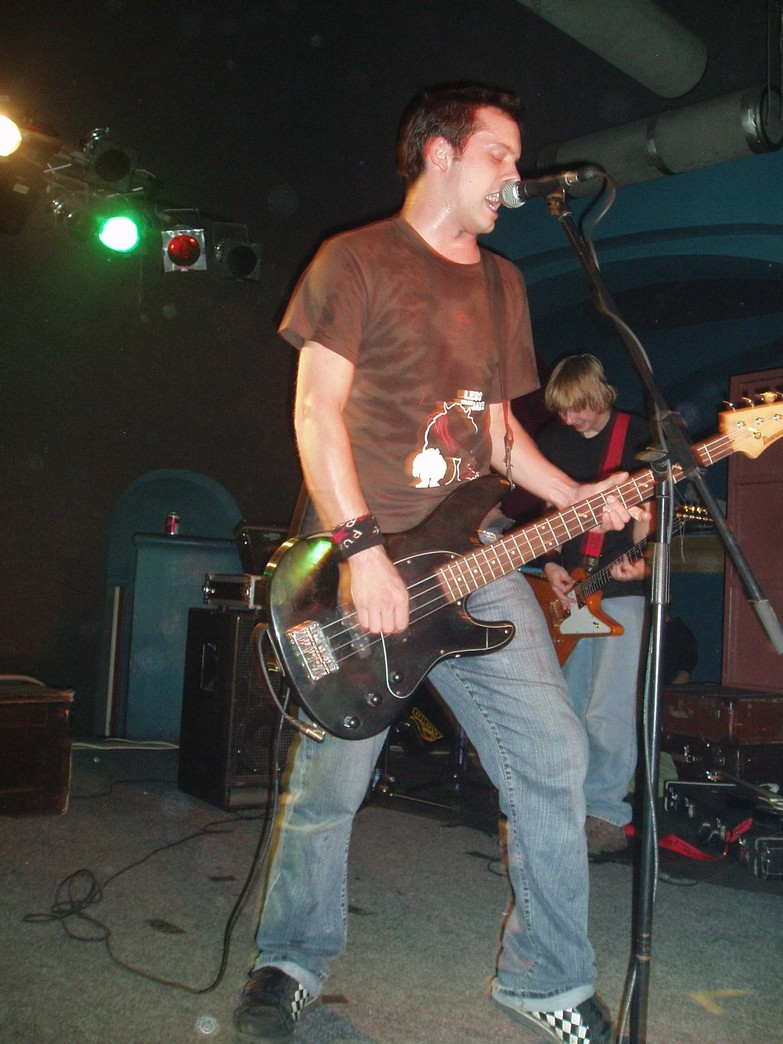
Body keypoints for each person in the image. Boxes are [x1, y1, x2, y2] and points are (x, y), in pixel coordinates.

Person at [234, 85, 648, 1044]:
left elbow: (497, 438)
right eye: (499, 154)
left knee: (552, 753)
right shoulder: (354, 260)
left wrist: (578, 496)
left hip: (469, 552)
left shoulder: (502, 283)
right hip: (356, 550)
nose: (514, 174)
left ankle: (544, 978)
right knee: (330, 777)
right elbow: (315, 413)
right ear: (439, 155)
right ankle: (288, 961)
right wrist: (360, 552)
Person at [535, 354, 654, 858]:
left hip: (619, 591)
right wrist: (549, 564)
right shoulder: (554, 442)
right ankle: (564, 808)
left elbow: (652, 513)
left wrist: (643, 558)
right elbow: (548, 510)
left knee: (608, 709)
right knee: (564, 707)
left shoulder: (640, 436)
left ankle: (604, 813)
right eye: (563, 411)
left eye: (579, 408)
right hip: (569, 593)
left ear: (601, 395)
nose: (571, 420)